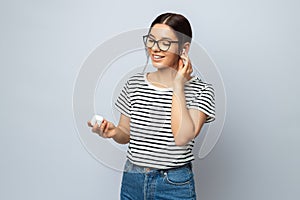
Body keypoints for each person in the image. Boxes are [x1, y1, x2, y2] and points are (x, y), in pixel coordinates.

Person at [88, 12, 215, 200]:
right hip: (133, 179)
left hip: (174, 184)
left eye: (165, 43)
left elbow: (182, 137)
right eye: (151, 40)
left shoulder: (201, 91)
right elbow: (126, 132)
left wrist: (178, 86)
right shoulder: (134, 84)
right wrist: (113, 132)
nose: (155, 49)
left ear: (184, 48)